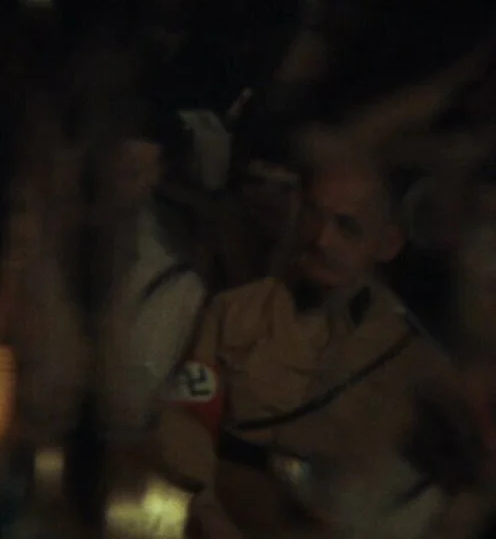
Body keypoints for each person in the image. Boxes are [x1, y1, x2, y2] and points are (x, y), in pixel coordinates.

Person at [158, 145, 459, 538]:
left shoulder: (409, 355)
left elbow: (458, 477)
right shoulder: (234, 313)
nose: (322, 239)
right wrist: (204, 503)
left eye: (346, 227)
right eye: (313, 215)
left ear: (388, 243)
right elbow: (189, 416)